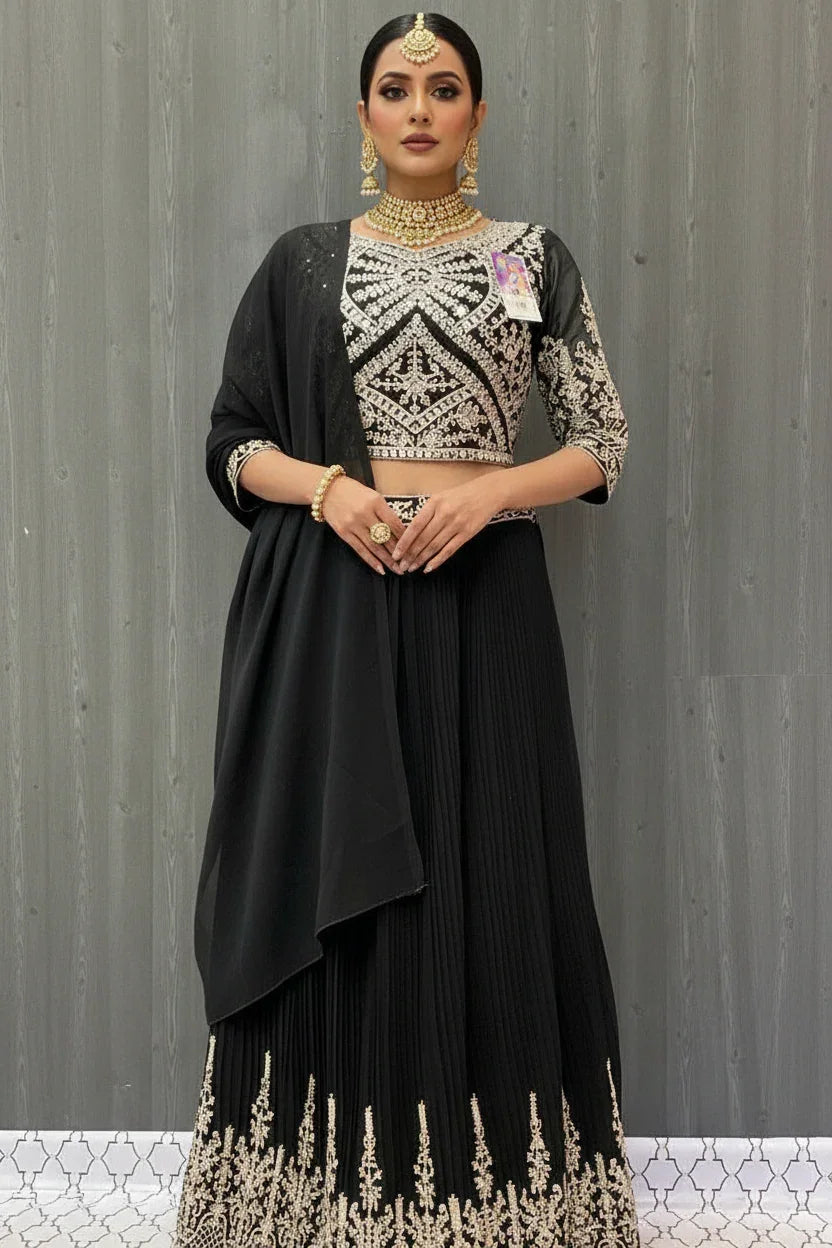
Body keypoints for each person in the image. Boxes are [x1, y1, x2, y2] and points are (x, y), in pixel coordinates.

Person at [173, 12, 640, 1247]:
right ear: (365, 114)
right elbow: (232, 445)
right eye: (395, 87)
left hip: (485, 609)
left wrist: (489, 493)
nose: (420, 106)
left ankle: (494, 1206)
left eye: (445, 88)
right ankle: (329, 1200)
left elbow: (602, 440)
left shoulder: (524, 259)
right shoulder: (305, 264)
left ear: (478, 117)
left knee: (491, 874)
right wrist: (329, 491)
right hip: (341, 608)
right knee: (358, 892)